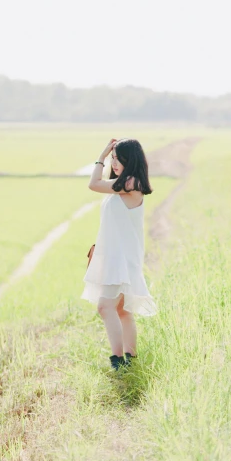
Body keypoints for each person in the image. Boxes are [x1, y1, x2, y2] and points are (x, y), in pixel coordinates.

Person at [81, 137, 156, 371]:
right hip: (115, 255)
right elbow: (114, 224)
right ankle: (129, 361)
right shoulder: (122, 186)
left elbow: (93, 184)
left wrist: (101, 157)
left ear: (130, 160)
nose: (114, 164)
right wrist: (98, 249)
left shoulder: (131, 183)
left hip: (122, 258)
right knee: (122, 310)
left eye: (118, 159)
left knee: (105, 307)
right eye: (113, 158)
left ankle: (118, 363)